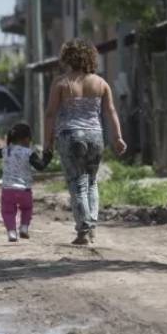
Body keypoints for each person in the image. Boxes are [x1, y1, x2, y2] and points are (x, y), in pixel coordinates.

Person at [44, 38, 127, 245]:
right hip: (95, 136)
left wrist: (48, 143)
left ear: (67, 58)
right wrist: (117, 137)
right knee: (91, 182)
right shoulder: (101, 83)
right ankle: (92, 228)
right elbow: (111, 112)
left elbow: (50, 114)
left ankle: (83, 230)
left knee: (77, 183)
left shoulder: (61, 82)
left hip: (70, 135)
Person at [0, 123, 52, 242]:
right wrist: (48, 156)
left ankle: (11, 232)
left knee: (8, 211)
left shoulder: (6, 151)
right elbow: (40, 166)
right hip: (25, 190)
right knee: (27, 209)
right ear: (27, 139)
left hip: (8, 190)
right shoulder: (29, 153)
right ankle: (24, 228)